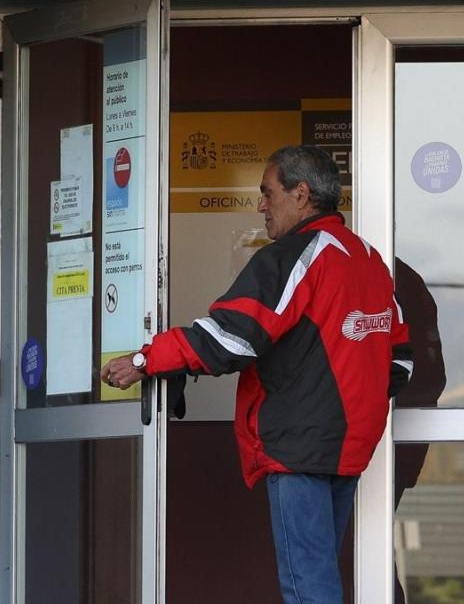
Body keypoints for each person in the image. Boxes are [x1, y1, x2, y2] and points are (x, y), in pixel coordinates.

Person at [103, 145, 412, 604]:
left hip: (299, 447)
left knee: (306, 586)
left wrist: (148, 359)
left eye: (268, 193)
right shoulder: (366, 258)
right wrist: (345, 400)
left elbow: (234, 337)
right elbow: (399, 363)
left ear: (301, 194)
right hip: (346, 447)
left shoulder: (293, 256)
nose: (261, 205)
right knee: (319, 573)